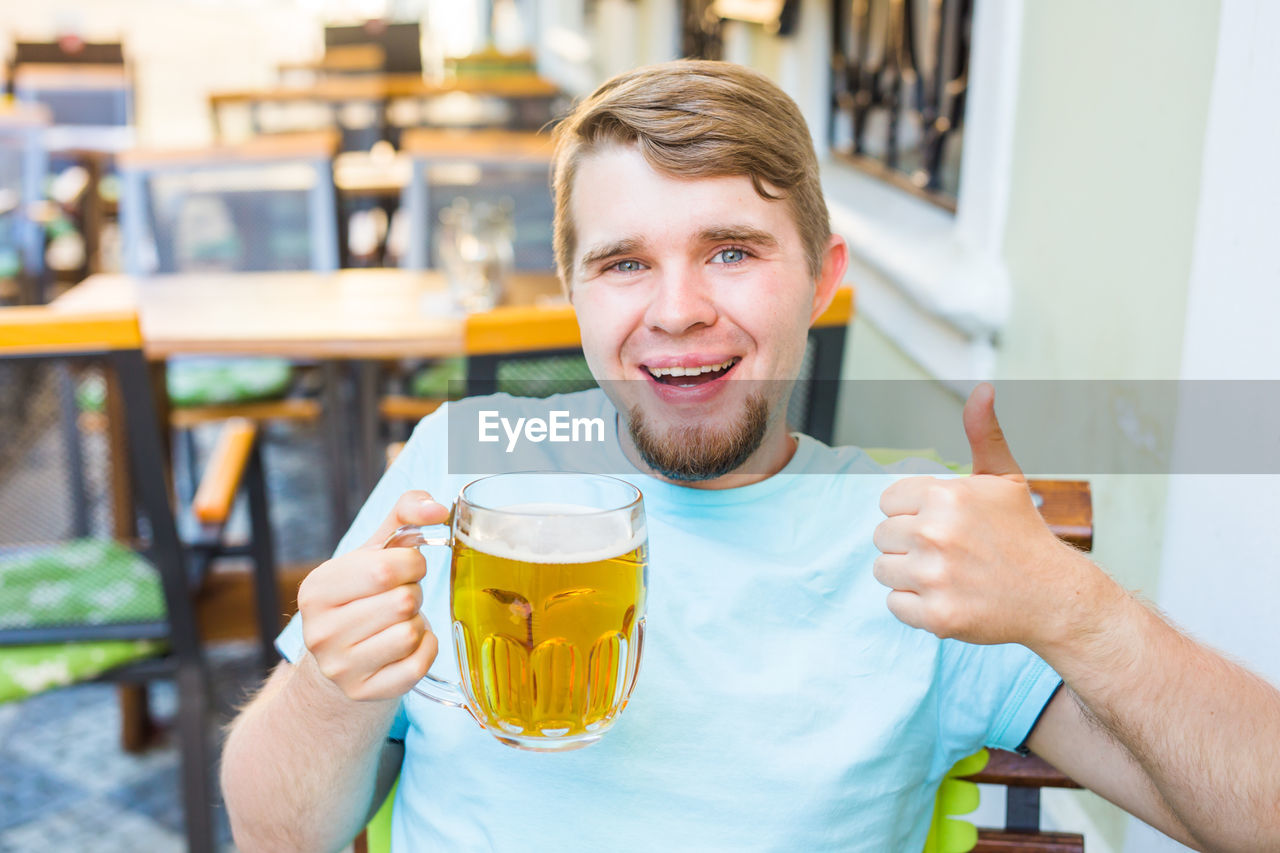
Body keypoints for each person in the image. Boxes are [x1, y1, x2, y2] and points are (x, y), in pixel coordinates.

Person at [220, 60, 1280, 851]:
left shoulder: (928, 546)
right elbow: (274, 833)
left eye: (731, 251)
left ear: (821, 279)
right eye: (624, 261)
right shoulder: (459, 463)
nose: (677, 311)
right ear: (572, 291)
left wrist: (1072, 607)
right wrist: (329, 691)